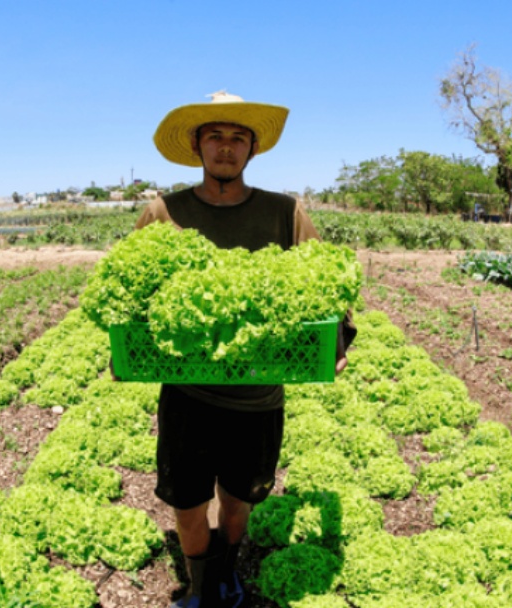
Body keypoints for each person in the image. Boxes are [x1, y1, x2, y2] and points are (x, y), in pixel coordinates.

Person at [136, 91, 354, 608]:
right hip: (188, 389)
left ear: (252, 148)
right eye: (216, 136)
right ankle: (198, 585)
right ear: (197, 144)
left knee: (239, 499)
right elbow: (131, 292)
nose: (226, 148)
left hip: (259, 392)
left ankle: (228, 570)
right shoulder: (165, 212)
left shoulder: (285, 211)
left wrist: (339, 340)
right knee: (187, 502)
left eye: (238, 138)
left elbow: (331, 285)